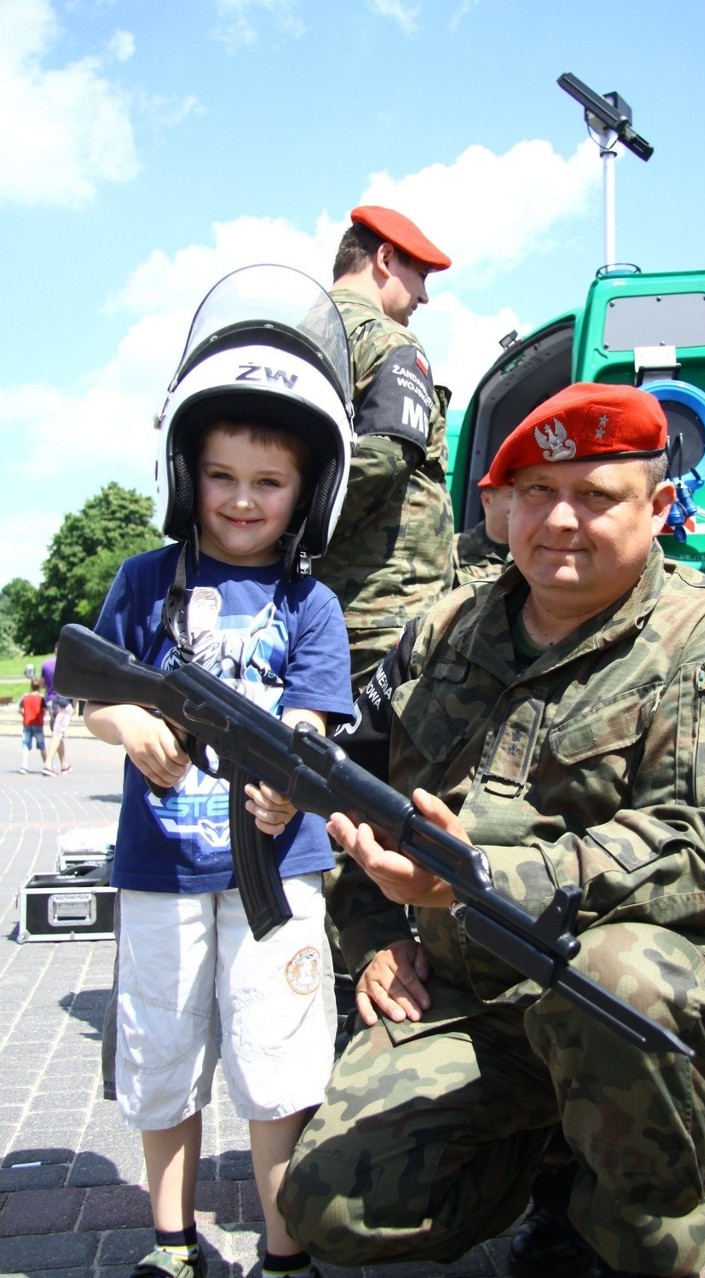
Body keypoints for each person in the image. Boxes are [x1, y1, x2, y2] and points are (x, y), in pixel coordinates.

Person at [279, 382, 705, 1278]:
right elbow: (354, 798)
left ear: (659, 506)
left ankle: (625, 1215)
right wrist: (371, 940)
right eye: (537, 493)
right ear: (497, 505)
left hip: (646, 985)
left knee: (614, 977)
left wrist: (478, 877)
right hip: (480, 990)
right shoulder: (440, 631)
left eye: (597, 496)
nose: (562, 520)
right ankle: (551, 1148)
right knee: (328, 1203)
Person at [83, 266, 355, 1278]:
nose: (242, 500)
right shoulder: (144, 581)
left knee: (279, 1062)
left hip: (274, 872)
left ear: (306, 493)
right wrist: (128, 724)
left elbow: (315, 721)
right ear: (184, 474)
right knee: (162, 1056)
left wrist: (292, 769)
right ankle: (171, 1239)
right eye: (222, 476)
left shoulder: (312, 606)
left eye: (270, 481)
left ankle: (284, 1246)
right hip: (161, 868)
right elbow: (93, 689)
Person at [312, 204, 455, 694]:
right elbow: (384, 459)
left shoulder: (298, 335)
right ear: (385, 258)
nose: (424, 296)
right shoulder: (388, 340)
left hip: (322, 603)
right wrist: (302, 533)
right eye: (420, 275)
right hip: (385, 612)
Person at [451, 476, 513, 586]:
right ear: (487, 500)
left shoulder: (538, 552)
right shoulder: (453, 550)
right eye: (512, 496)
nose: (521, 505)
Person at [40, 644, 73, 774]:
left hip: (51, 702)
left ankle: (63, 763)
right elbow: (73, 688)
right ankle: (48, 764)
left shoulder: (46, 664)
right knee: (58, 733)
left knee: (58, 733)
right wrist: (74, 705)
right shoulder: (69, 666)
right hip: (63, 702)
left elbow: (42, 684)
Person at [18, 677, 47, 773]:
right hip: (38, 723)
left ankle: (24, 766)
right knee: (42, 745)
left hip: (27, 724)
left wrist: (24, 714)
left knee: (25, 745)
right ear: (39, 687)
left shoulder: (25, 697)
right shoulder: (41, 698)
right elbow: (44, 709)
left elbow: (21, 710)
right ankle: (47, 764)